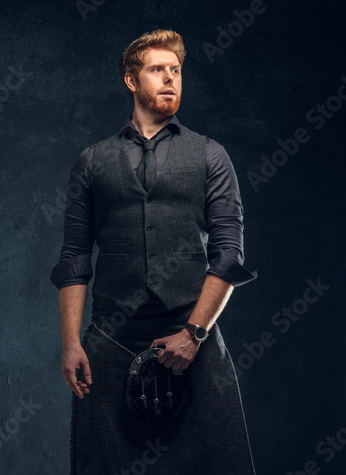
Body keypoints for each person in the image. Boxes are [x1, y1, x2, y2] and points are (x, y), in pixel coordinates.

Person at [50, 28, 258, 474]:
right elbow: (74, 258)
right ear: (131, 80)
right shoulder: (92, 161)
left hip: (192, 344)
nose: (170, 79)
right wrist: (70, 342)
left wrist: (194, 334)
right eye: (157, 69)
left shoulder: (210, 155)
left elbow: (228, 253)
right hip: (109, 344)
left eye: (176, 71)